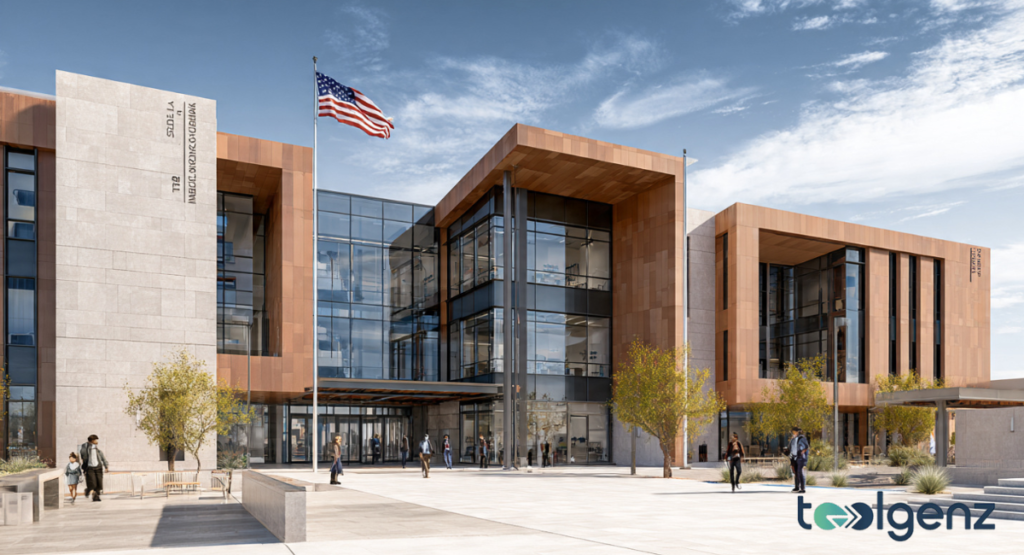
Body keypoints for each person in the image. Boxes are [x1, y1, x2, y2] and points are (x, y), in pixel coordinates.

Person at [79, 434, 109, 502]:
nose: (97, 441)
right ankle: (89, 490)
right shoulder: (85, 448)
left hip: (98, 467)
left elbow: (103, 458)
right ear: (92, 440)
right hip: (90, 468)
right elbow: (83, 455)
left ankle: (96, 497)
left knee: (99, 484)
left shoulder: (98, 450)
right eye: (95, 440)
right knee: (93, 484)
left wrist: (106, 466)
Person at [789, 427, 809, 494]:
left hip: (800, 457)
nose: (793, 433)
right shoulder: (792, 439)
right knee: (795, 472)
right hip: (793, 457)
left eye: (794, 431)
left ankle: (802, 488)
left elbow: (806, 446)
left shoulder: (802, 438)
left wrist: (803, 451)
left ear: (797, 432)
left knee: (800, 472)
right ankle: (797, 487)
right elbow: (791, 447)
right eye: (793, 432)